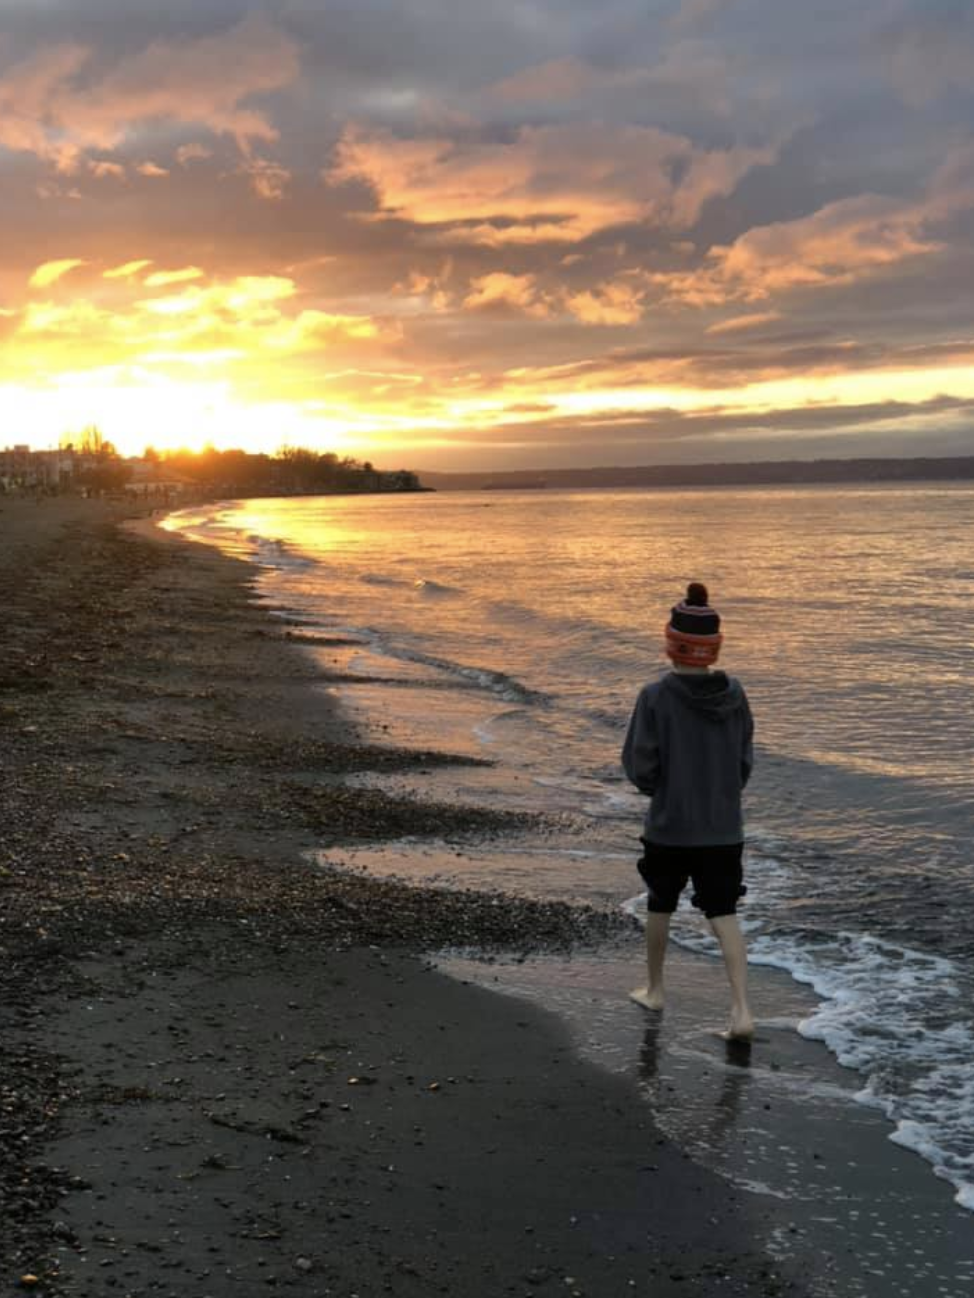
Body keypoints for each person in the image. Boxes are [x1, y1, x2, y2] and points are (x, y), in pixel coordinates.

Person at [621, 581, 755, 1039]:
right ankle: (741, 1011)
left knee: (661, 903)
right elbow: (743, 762)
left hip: (670, 825)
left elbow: (640, 764)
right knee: (723, 912)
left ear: (672, 646)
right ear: (712, 650)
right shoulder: (735, 694)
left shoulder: (655, 695)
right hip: (723, 827)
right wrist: (719, 794)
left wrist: (661, 789)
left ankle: (656, 989)